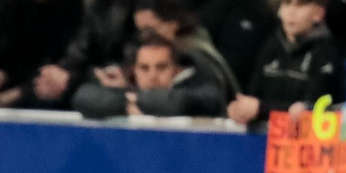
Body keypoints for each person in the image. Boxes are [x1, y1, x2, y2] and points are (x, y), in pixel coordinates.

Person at [227, 0, 346, 124]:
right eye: (286, 4)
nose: (291, 12)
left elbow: (312, 107)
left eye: (300, 5)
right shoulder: (271, 46)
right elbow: (254, 95)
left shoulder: (326, 52)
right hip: (267, 132)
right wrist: (242, 109)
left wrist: (260, 109)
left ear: (318, 13)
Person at [71, 29, 230, 118]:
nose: (153, 76)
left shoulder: (199, 89)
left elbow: (180, 102)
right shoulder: (126, 88)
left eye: (161, 67)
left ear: (176, 69)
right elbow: (83, 97)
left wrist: (134, 100)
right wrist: (127, 102)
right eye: (144, 68)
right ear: (134, 70)